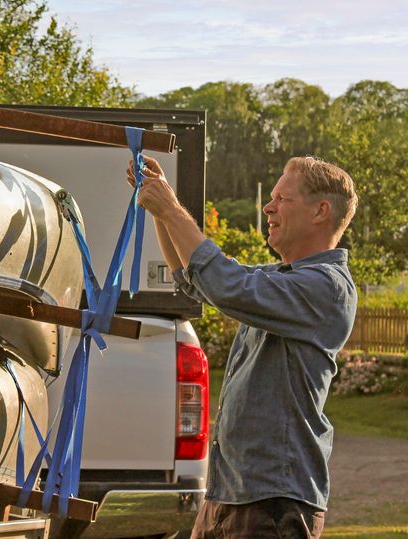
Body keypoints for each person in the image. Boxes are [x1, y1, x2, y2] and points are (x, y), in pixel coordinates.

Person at [128, 155, 358, 539]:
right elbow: (195, 279)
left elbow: (225, 283)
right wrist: (160, 211)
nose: (268, 207)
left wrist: (170, 206)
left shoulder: (326, 287)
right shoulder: (280, 278)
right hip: (232, 494)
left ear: (321, 211)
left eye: (283, 199)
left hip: (274, 501)